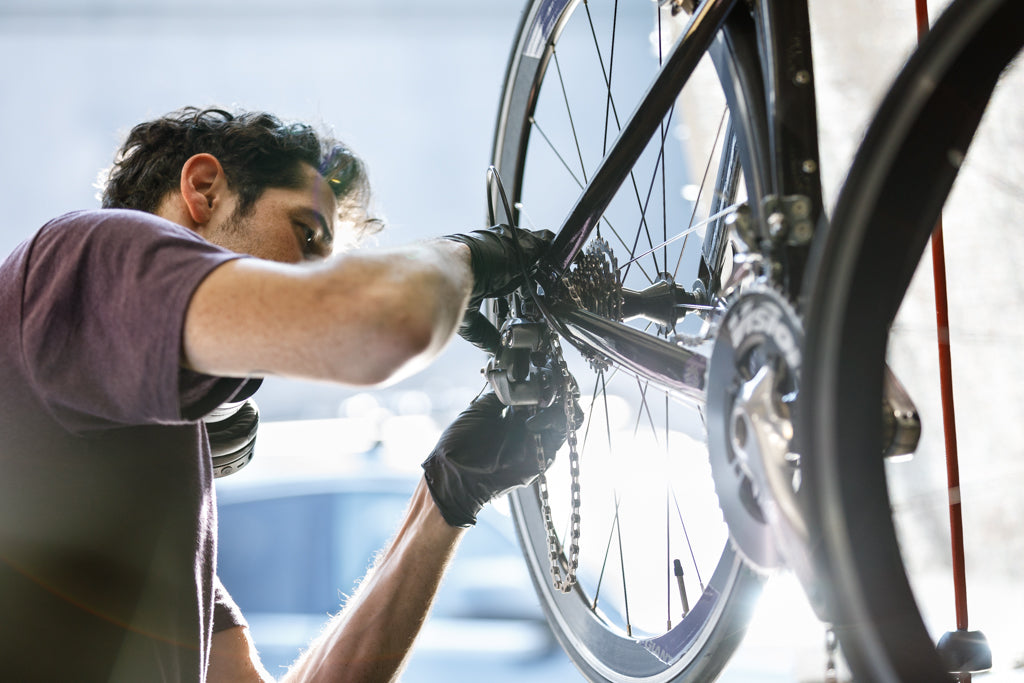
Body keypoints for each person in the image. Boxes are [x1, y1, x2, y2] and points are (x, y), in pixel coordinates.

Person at [0, 107, 561, 682]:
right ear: (203, 189)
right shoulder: (84, 257)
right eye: (307, 235)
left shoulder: (147, 480)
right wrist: (464, 256)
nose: (308, 276)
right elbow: (382, 324)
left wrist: (443, 500)